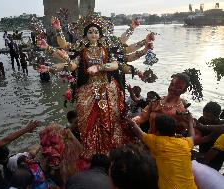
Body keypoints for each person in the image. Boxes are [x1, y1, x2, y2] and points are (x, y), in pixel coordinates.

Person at [37, 12, 153, 160]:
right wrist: (51, 64)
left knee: (111, 120)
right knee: (87, 122)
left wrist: (142, 42)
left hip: (107, 89)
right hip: (88, 90)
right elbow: (71, 64)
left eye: (96, 31)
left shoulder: (106, 48)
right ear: (85, 34)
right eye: (90, 31)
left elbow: (120, 60)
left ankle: (112, 148)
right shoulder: (82, 50)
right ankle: (91, 150)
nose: (93, 34)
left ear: (100, 34)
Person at [126, 115, 198, 189]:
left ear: (157, 131)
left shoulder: (156, 142)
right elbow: (192, 136)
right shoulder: (185, 143)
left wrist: (131, 122)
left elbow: (138, 132)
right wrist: (190, 123)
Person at [133, 72, 197, 134]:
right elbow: (142, 117)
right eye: (172, 84)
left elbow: (187, 132)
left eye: (178, 87)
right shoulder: (156, 102)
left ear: (184, 90)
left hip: (165, 144)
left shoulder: (181, 111)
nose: (173, 88)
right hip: (148, 141)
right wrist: (129, 121)